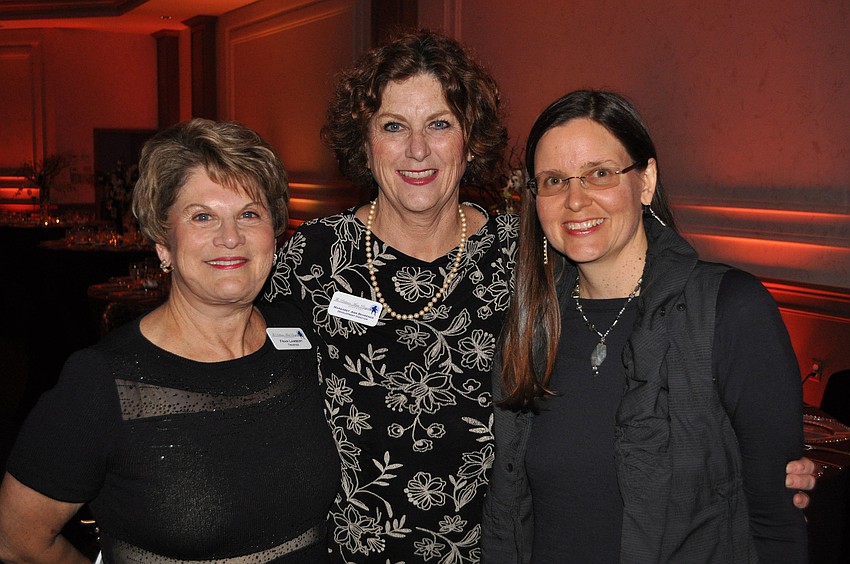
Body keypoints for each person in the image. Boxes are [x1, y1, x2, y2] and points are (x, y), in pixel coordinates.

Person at [264, 31, 815, 563]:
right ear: (364, 140)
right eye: (392, 125)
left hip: (493, 547)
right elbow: (235, 365)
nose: (417, 149)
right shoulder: (312, 258)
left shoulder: (526, 260)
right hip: (351, 548)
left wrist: (766, 463)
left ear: (469, 137)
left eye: (439, 123)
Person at [481, 90, 809, 563]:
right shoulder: (530, 322)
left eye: (599, 174)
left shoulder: (730, 310)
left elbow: (776, 522)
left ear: (646, 180)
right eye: (554, 181)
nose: (576, 200)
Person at [0, 118, 340, 562]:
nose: (231, 237)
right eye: (203, 216)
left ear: (274, 235)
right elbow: (17, 539)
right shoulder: (103, 381)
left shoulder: (300, 336)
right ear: (163, 242)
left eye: (249, 214)